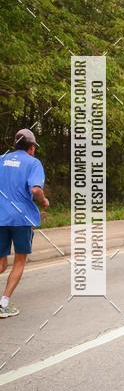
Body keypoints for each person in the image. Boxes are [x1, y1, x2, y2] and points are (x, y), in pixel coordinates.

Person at [0, 128, 49, 318]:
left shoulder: (2, 160)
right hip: (21, 219)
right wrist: (44, 201)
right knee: (20, 259)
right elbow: (36, 190)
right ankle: (3, 303)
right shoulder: (33, 163)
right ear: (31, 148)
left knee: (1, 262)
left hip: (1, 216)